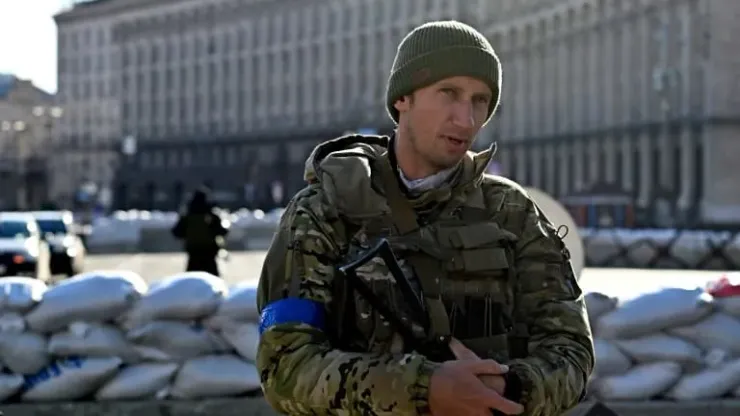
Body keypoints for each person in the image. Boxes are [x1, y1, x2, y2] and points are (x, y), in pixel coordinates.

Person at [257, 20, 594, 416]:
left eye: (480, 101)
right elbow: (285, 367)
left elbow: (570, 350)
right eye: (448, 93)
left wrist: (507, 387)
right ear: (403, 98)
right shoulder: (325, 210)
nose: (466, 120)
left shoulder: (511, 212)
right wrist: (423, 389)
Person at [171, 186, 228, 276]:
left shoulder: (187, 217)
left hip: (193, 253)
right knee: (213, 280)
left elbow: (176, 232)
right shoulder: (211, 216)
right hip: (209, 253)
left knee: (192, 279)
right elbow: (222, 232)